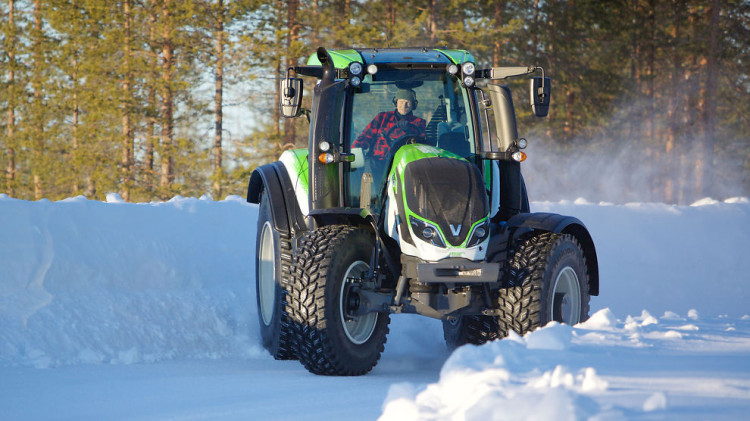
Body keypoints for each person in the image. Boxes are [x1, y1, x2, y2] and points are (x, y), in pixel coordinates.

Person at [353, 88, 426, 159]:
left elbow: (421, 144)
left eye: (408, 102)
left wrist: (409, 131)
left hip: (402, 162)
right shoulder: (382, 117)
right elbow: (366, 136)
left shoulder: (419, 122)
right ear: (396, 103)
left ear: (413, 105)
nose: (404, 106)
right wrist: (354, 151)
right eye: (401, 102)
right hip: (377, 161)